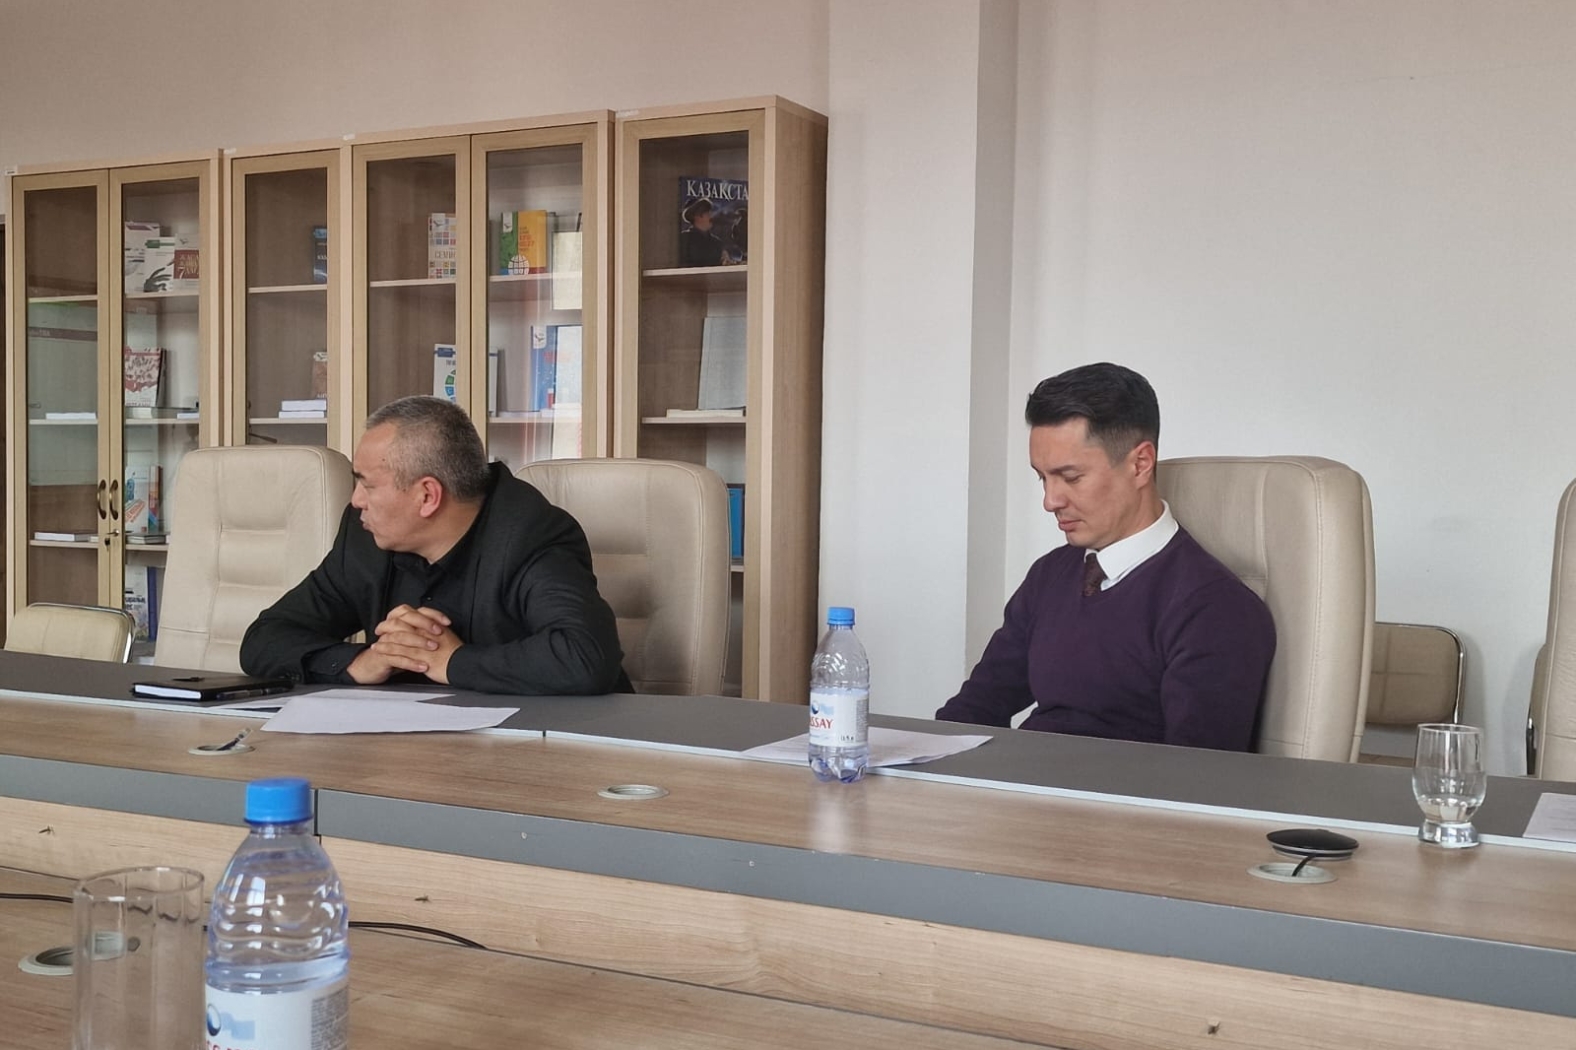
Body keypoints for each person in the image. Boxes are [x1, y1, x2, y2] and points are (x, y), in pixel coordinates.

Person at [935, 363, 1274, 751]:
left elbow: (1195, 776)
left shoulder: (1215, 609)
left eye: (1071, 477)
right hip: (1024, 779)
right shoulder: (1050, 575)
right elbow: (974, 709)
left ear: (1140, 464)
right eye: (1042, 478)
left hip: (1110, 791)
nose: (1050, 501)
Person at [240, 396, 630, 695]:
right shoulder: (365, 537)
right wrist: (361, 661)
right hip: (410, 750)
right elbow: (265, 638)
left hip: (543, 750)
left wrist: (451, 661)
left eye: (367, 484)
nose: (356, 500)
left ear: (427, 496)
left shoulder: (531, 535)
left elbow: (585, 656)